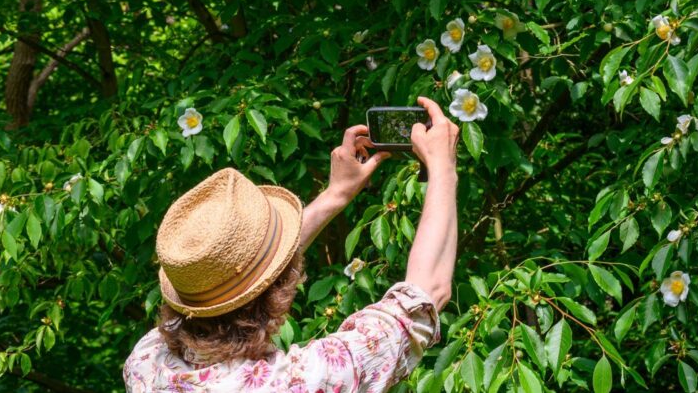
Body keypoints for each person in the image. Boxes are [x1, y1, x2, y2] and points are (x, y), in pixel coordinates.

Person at [123, 97, 460, 392]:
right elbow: (424, 298)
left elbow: (228, 273)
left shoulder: (147, 362)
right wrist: (443, 167)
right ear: (275, 290)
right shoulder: (299, 381)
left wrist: (335, 196)